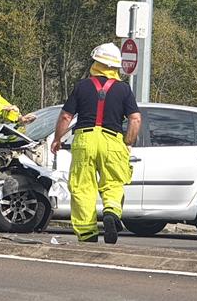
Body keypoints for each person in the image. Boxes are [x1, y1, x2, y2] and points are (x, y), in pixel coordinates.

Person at [50, 42, 141, 244]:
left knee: (82, 187)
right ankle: (111, 212)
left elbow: (66, 116)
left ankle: (87, 233)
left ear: (96, 63)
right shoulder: (124, 89)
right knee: (113, 183)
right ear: (116, 66)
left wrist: (57, 139)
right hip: (112, 140)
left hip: (85, 139)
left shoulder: (82, 86)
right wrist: (128, 142)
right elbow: (135, 119)